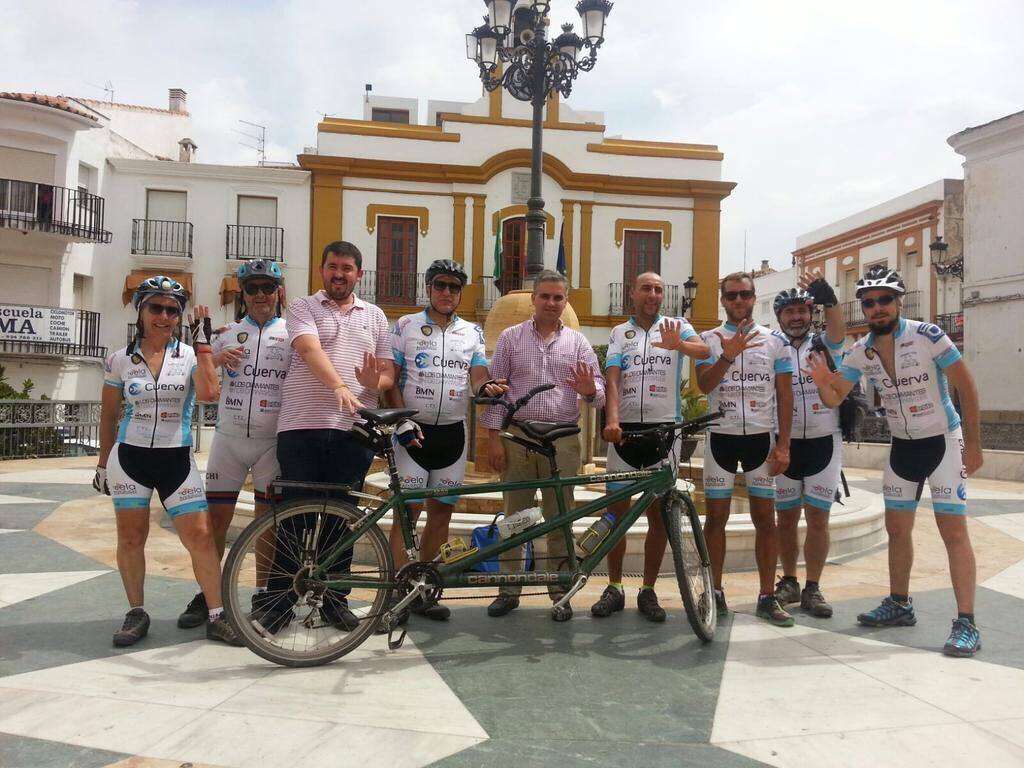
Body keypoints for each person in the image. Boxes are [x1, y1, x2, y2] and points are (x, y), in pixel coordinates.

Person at [806, 264, 983, 656]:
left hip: (942, 440)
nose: (877, 308)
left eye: (885, 300)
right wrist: (822, 382)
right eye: (869, 302)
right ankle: (900, 604)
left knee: (953, 532)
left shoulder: (928, 336)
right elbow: (835, 397)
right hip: (903, 446)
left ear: (898, 302)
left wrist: (974, 444)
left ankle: (967, 622)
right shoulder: (860, 350)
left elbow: (966, 385)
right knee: (896, 530)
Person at [93, 275, 241, 647]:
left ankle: (217, 615)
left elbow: (209, 393)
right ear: (140, 310)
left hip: (177, 458)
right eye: (155, 307)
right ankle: (136, 612)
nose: (164, 316)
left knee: (202, 539)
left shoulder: (189, 355)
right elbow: (109, 416)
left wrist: (203, 342)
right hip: (130, 458)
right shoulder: (119, 359)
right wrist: (101, 462)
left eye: (172, 310)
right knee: (131, 538)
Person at [255, 241, 393, 634]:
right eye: (333, 266)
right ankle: (280, 602)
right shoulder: (303, 307)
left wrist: (375, 381)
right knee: (293, 517)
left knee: (342, 520)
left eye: (347, 268)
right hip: (302, 426)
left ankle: (335, 600)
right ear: (322, 271)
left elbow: (387, 374)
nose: (339, 274)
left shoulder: (377, 316)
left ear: (358, 275)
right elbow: (308, 348)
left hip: (353, 432)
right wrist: (338, 386)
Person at [482, 269, 605, 622]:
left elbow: (597, 397)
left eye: (558, 297)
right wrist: (494, 438)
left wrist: (588, 390)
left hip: (563, 440)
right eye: (545, 296)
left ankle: (560, 589)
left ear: (565, 301)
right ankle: (509, 590)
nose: (552, 303)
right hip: (518, 437)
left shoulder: (579, 344)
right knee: (515, 518)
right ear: (534, 299)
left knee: (559, 519)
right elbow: (496, 391)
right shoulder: (510, 338)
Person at [384, 258, 503, 622]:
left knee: (441, 515)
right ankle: (395, 593)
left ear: (460, 292)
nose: (447, 292)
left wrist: (487, 386)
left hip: (453, 434)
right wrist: (401, 422)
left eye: (454, 287)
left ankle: (424, 589)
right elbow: (391, 378)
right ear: (428, 288)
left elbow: (478, 373)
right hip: (413, 434)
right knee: (407, 514)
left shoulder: (472, 331)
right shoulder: (405, 325)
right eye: (440, 285)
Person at [590, 272, 710, 622]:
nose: (653, 294)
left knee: (659, 518)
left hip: (664, 433)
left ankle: (648, 589)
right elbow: (612, 379)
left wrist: (680, 345)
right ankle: (614, 586)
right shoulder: (619, 333)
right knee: (615, 515)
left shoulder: (676, 325)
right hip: (624, 432)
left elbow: (704, 350)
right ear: (633, 293)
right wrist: (611, 421)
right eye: (646, 288)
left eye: (658, 289)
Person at [176, 260, 288, 629]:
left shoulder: (292, 335)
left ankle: (263, 595)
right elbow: (199, 384)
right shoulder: (223, 333)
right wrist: (212, 355)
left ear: (278, 292)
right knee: (216, 522)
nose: (260, 295)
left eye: (267, 287)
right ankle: (209, 595)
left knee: (266, 523)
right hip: (228, 439)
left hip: (271, 441)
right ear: (242, 293)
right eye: (252, 288)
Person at [696, 271, 795, 626]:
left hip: (760, 439)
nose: (739, 301)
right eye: (732, 295)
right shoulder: (708, 339)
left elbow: (785, 395)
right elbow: (704, 387)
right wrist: (725, 357)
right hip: (720, 437)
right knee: (716, 520)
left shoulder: (775, 342)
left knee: (765, 520)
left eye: (745, 295)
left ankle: (767, 596)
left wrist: (784, 445)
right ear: (722, 300)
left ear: (754, 298)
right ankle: (714, 590)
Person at [771, 269, 846, 619]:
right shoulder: (772, 345)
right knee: (785, 518)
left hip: (823, 441)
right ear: (779, 317)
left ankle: (813, 586)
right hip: (784, 443)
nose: (797, 317)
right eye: (790, 312)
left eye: (802, 310)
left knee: (818, 518)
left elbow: (838, 327)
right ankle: (789, 580)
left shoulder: (824, 344)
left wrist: (828, 299)